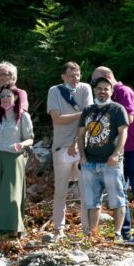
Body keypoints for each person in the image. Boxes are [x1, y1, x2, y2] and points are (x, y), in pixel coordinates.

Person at [92, 66, 134, 243]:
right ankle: (125, 232)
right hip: (120, 151)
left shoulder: (124, 91)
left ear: (107, 77)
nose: (96, 86)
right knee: (120, 190)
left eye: (96, 81)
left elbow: (128, 119)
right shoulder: (109, 97)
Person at [77, 75, 129, 239]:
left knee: (117, 199)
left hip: (111, 163)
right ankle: (93, 234)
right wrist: (82, 156)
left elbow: (123, 132)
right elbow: (80, 135)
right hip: (90, 163)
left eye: (106, 89)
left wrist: (116, 154)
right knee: (92, 202)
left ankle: (117, 234)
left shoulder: (117, 109)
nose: (102, 91)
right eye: (99, 88)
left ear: (111, 91)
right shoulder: (88, 110)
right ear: (94, 90)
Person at [46, 62, 93, 239]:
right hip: (60, 147)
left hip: (82, 146)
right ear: (63, 76)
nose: (76, 78)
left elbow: (89, 118)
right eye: (72, 75)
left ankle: (87, 230)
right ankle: (58, 230)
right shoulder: (54, 91)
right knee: (60, 191)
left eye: (78, 74)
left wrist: (76, 141)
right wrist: (81, 114)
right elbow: (57, 119)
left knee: (85, 190)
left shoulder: (85, 88)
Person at [0, 86, 34, 240]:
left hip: (14, 158)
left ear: (16, 97)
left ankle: (13, 230)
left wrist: (22, 145)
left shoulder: (23, 116)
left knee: (11, 194)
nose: (4, 99)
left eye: (8, 96)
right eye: (2, 96)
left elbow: (30, 138)